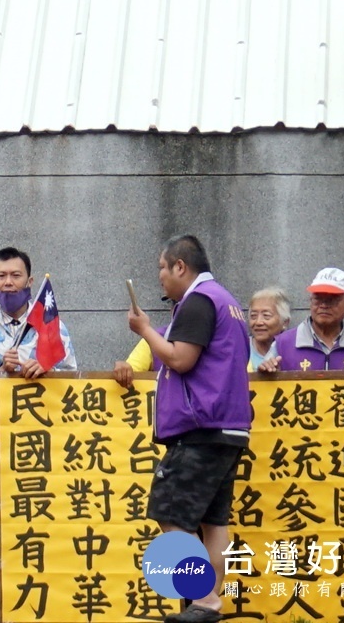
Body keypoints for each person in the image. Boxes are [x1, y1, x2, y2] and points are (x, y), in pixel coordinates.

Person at [127, 235, 250, 623]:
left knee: (169, 512)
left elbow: (180, 359)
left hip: (200, 428)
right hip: (229, 429)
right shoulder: (228, 302)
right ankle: (210, 604)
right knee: (214, 522)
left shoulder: (199, 300)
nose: (160, 277)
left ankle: (206, 600)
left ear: (181, 266)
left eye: (163, 268)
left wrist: (146, 329)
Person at [0, 247, 76, 623]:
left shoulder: (51, 327)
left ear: (30, 281)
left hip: (42, 447)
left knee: (41, 526)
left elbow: (73, 382)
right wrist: (0, 374)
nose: (8, 283)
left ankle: (40, 608)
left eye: (15, 276)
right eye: (1, 276)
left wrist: (47, 370)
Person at [262, 268, 344, 376]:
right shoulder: (283, 344)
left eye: (331, 300)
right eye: (318, 299)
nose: (323, 305)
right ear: (310, 302)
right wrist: (268, 374)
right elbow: (258, 389)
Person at [247, 287, 290, 371]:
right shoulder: (241, 348)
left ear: (285, 322)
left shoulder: (292, 351)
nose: (258, 322)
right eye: (253, 316)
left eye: (266, 316)